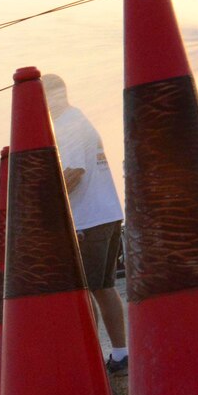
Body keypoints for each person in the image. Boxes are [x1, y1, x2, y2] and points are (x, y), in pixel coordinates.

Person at [43, 74, 128, 375]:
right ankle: (121, 355)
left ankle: (90, 360)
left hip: (88, 220)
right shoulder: (79, 119)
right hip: (107, 213)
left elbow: (74, 172)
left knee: (83, 290)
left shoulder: (67, 125)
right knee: (104, 287)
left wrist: (46, 201)